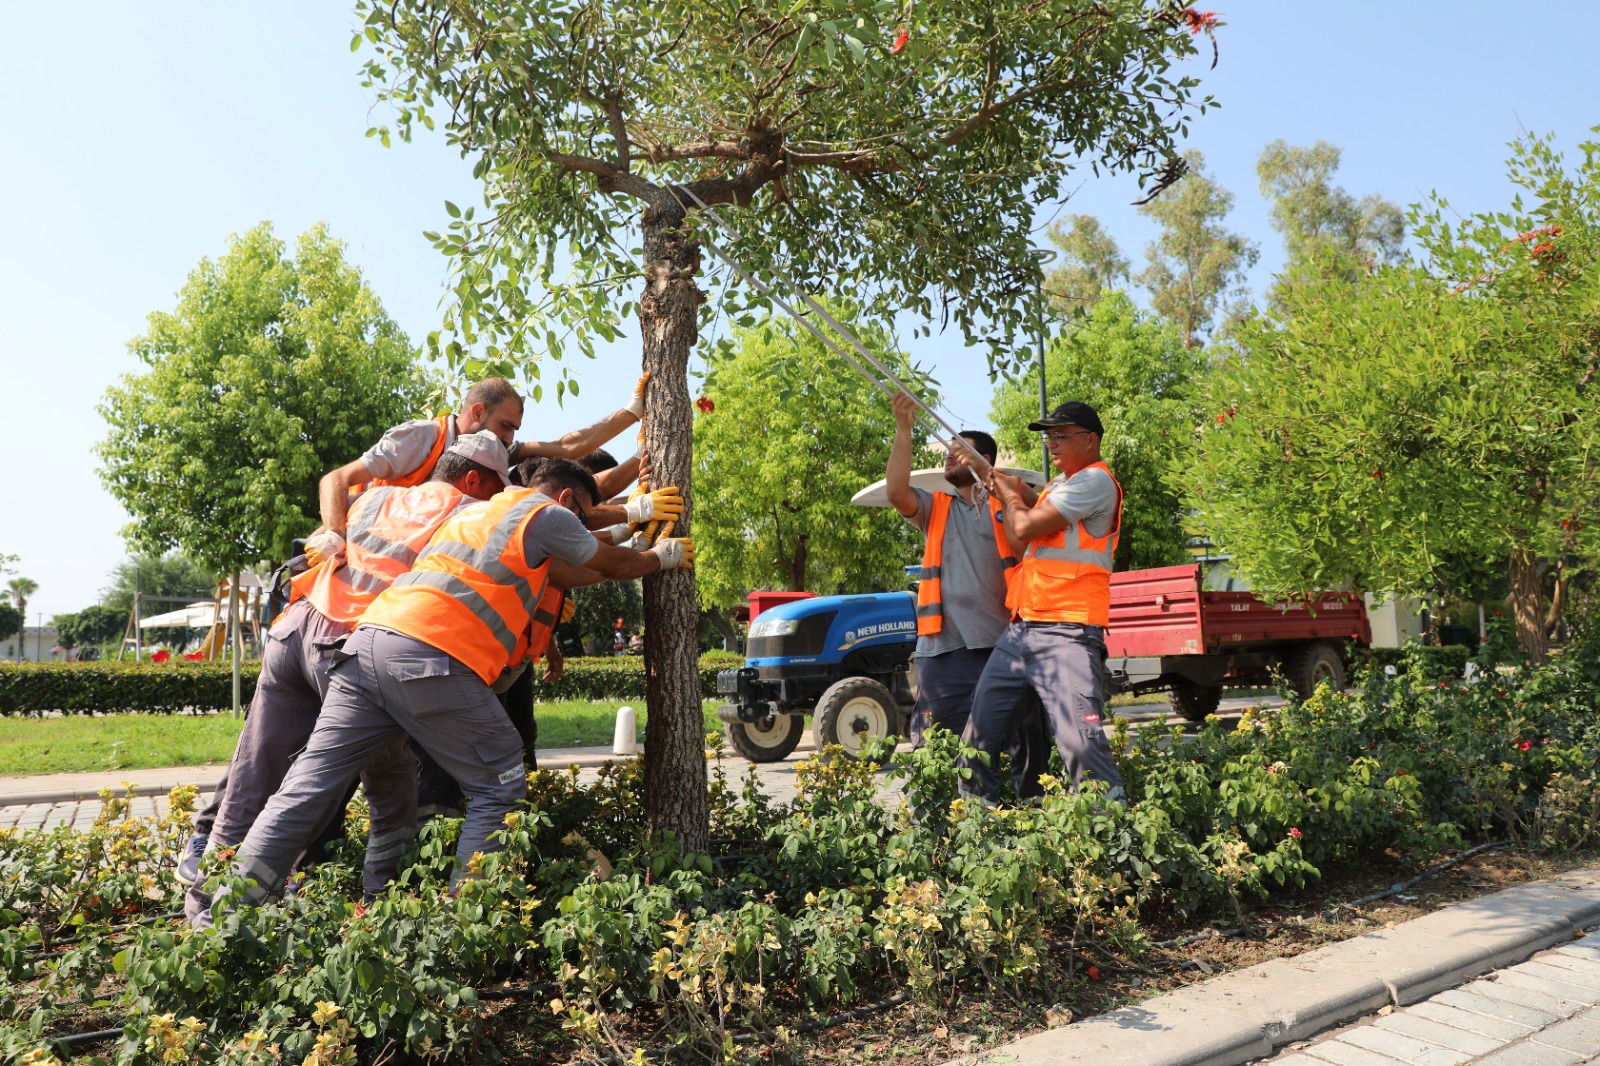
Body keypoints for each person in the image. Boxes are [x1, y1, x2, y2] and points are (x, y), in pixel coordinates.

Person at [206, 458, 695, 921]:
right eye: (580, 516)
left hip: (366, 646)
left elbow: (573, 567)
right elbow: (607, 564)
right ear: (566, 498)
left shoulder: (483, 513)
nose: (578, 525)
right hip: (430, 658)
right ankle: (463, 925)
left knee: (305, 788)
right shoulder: (546, 513)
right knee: (500, 779)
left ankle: (228, 916)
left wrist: (632, 527)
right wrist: (661, 556)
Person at [179, 432, 512, 915]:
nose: (495, 502)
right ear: (474, 478)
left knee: (258, 771)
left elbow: (333, 498)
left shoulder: (377, 494)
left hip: (293, 631)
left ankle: (205, 906)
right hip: (350, 647)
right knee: (352, 782)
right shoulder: (466, 516)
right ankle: (383, 906)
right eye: (495, 490)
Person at [958, 400, 1127, 805]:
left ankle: (1110, 833)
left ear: (1091, 440)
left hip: (1068, 631)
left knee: (1080, 743)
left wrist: (1009, 494)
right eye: (1048, 435)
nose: (1051, 443)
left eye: (1060, 435)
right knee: (977, 739)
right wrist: (991, 476)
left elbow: (1024, 523)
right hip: (1022, 630)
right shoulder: (1058, 487)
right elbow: (1022, 534)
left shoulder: (1095, 481)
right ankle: (976, 824)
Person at [885, 392, 1048, 799]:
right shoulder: (936, 507)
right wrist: (904, 429)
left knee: (1024, 740)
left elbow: (1032, 529)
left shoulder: (1009, 505)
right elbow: (896, 492)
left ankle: (1027, 816)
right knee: (935, 746)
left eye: (961, 454)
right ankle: (939, 829)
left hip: (1004, 645)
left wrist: (998, 486)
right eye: (950, 454)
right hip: (944, 650)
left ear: (984, 463)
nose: (950, 459)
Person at [314, 375, 651, 541]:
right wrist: (333, 536)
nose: (511, 438)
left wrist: (633, 411)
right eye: (506, 425)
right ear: (477, 411)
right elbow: (335, 479)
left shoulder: (496, 453)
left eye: (515, 429)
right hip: (364, 544)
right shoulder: (421, 438)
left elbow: (567, 448)